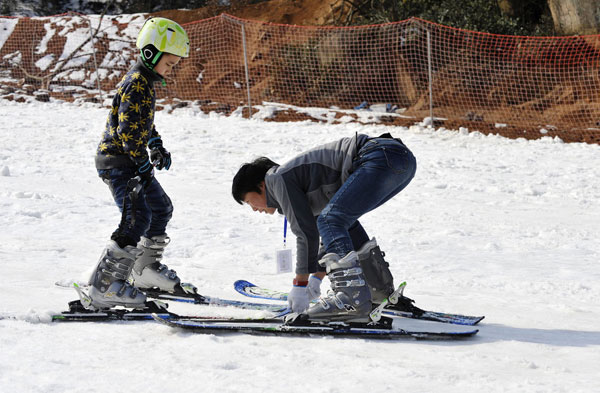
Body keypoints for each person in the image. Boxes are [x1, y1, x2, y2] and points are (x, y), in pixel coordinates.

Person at [232, 133, 417, 322]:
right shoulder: (300, 185)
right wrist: (316, 280)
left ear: (261, 185)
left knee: (332, 220)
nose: (254, 209)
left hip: (380, 156)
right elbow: (327, 236)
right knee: (342, 222)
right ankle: (381, 293)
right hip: (399, 160)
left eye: (249, 202)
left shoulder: (277, 179)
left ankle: (352, 300)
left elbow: (305, 234)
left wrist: (300, 285)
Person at [88, 17, 190, 309]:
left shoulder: (145, 84)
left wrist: (155, 145)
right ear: (150, 54)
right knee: (136, 218)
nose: (171, 69)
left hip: (130, 160)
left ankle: (143, 271)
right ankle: (105, 286)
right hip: (118, 162)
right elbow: (128, 133)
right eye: (169, 63)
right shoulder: (136, 83)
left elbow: (143, 124)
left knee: (160, 207)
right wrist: (143, 166)